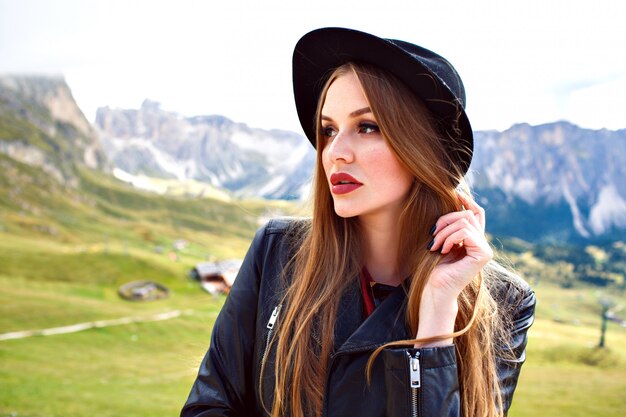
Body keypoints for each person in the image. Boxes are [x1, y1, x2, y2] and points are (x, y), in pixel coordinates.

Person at [181, 27, 535, 417]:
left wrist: (436, 319)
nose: (335, 152)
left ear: (424, 149)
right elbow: (209, 407)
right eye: (328, 130)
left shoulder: (505, 302)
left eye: (367, 126)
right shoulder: (277, 250)